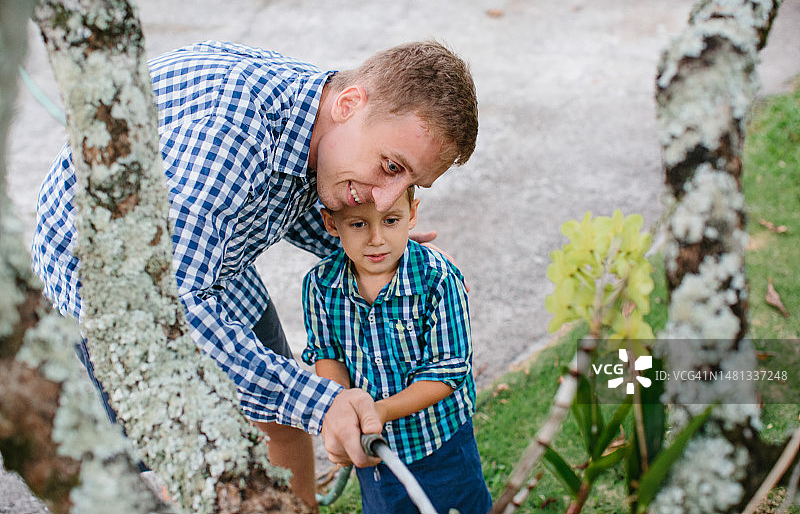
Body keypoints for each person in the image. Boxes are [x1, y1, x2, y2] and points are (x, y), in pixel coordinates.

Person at [31, 39, 478, 508]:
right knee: (196, 455)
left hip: (215, 259)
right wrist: (322, 403)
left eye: (410, 184)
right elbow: (173, 311)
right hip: (114, 285)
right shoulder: (228, 135)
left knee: (280, 418)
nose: (385, 199)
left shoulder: (327, 122)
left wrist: (385, 250)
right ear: (349, 104)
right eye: (390, 166)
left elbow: (290, 197)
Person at [301, 186, 492, 513]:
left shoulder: (437, 278)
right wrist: (344, 406)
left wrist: (380, 411)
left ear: (412, 214)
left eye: (390, 220)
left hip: (441, 442)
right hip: (376, 452)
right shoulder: (320, 285)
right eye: (358, 224)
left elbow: (448, 370)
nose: (376, 239)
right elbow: (328, 355)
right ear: (331, 224)